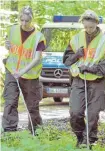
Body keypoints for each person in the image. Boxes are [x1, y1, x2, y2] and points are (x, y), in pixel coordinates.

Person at [63, 10, 105, 148]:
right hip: (78, 80)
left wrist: (90, 68)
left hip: (97, 82)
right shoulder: (76, 38)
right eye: (86, 27)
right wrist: (76, 55)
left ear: (96, 23)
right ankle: (79, 136)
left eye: (91, 27)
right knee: (75, 112)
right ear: (82, 24)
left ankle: (88, 141)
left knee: (93, 114)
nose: (88, 30)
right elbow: (66, 61)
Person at [2, 6, 46, 134]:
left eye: (27, 21)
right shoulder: (12, 29)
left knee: (32, 105)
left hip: (30, 76)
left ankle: (35, 131)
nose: (24, 23)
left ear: (32, 20)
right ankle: (9, 131)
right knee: (10, 100)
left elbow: (36, 59)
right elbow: (8, 43)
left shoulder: (39, 37)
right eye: (22, 20)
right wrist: (7, 44)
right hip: (11, 70)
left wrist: (21, 72)